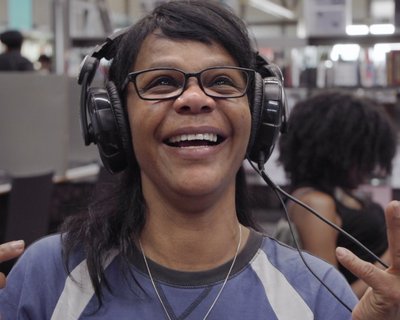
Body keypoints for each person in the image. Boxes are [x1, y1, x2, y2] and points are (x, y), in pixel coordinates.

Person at [0, 1, 399, 319]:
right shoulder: (47, 278)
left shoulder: (315, 292)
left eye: (222, 81)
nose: (195, 98)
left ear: (261, 115)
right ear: (113, 120)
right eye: (162, 82)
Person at [278, 91, 397, 298]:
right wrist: (392, 259)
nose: (369, 168)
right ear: (337, 152)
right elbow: (330, 298)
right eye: (361, 157)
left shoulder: (341, 195)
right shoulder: (314, 203)